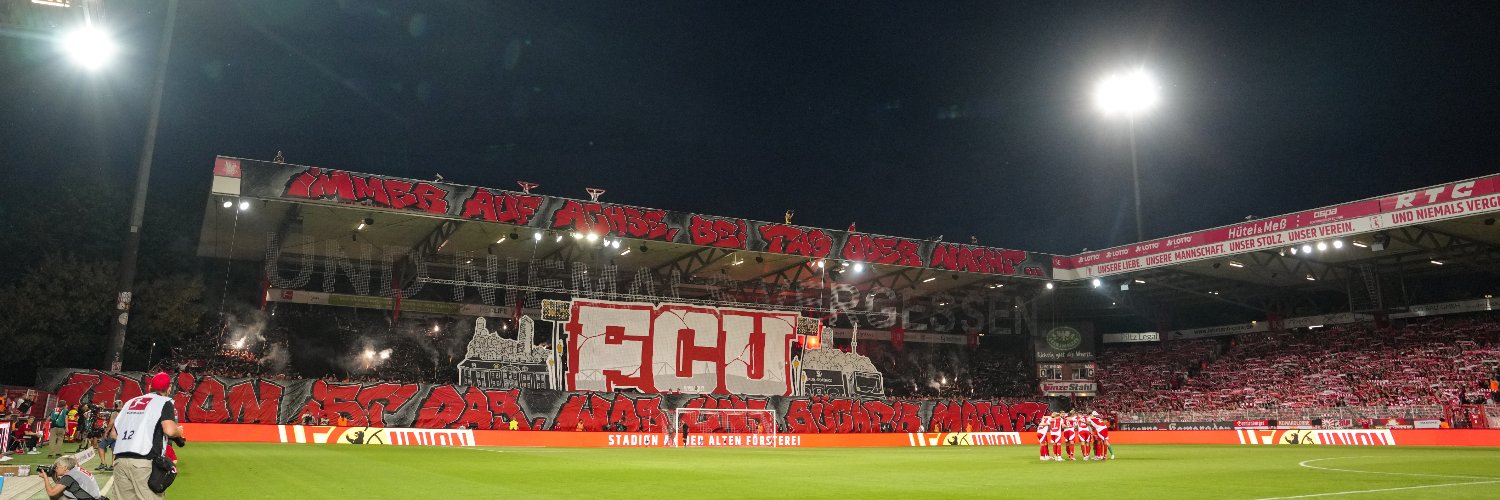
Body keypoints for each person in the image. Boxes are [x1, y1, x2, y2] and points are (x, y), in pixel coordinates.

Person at [111, 372, 184, 500]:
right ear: (169, 388)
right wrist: (179, 431)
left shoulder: (129, 402)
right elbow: (170, 430)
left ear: (150, 387)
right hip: (144, 461)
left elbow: (114, 434)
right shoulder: (164, 402)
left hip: (119, 460)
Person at [40, 454, 105, 500]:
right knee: (60, 493)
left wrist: (45, 477)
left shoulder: (69, 477)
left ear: (65, 468)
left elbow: (51, 493)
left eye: (57, 467)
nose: (55, 469)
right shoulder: (75, 470)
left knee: (56, 495)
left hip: (88, 498)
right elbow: (62, 484)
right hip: (94, 497)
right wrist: (54, 477)